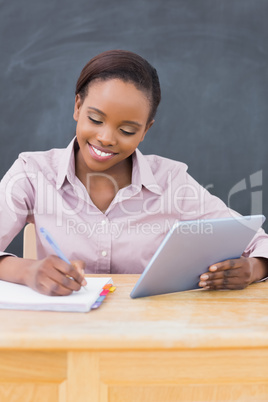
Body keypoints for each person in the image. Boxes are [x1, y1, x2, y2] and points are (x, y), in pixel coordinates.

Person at [0, 49, 268, 296]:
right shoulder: (32, 173)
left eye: (127, 130)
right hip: (61, 329)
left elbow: (257, 241)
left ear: (145, 131)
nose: (106, 138)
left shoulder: (171, 181)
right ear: (78, 107)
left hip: (145, 334)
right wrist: (26, 271)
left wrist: (254, 268)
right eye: (95, 119)